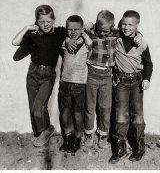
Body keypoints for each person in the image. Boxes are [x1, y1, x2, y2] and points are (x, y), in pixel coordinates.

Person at [66, 10, 141, 149]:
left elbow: (133, 33)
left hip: (107, 76)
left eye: (106, 31)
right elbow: (77, 32)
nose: (103, 34)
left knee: (105, 107)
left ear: (112, 26)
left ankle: (103, 134)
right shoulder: (91, 31)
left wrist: (140, 35)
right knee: (89, 106)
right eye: (101, 31)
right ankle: (89, 134)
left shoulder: (115, 33)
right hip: (92, 75)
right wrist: (72, 36)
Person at [11, 5, 69, 147]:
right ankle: (41, 134)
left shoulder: (59, 32)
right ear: (36, 21)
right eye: (41, 21)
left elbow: (77, 29)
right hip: (33, 73)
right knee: (33, 108)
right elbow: (15, 42)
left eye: (48, 21)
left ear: (54, 20)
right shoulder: (33, 35)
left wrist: (69, 39)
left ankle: (47, 130)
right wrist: (27, 28)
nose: (45, 24)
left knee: (39, 107)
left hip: (48, 75)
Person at [109, 10, 153, 164]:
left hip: (136, 83)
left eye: (130, 25)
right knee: (121, 115)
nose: (126, 27)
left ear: (137, 25)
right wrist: (90, 26)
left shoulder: (142, 43)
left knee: (137, 115)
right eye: (124, 24)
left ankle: (139, 147)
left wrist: (147, 79)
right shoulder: (116, 37)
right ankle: (120, 148)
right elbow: (101, 29)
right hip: (121, 82)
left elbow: (148, 63)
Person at [58, 15, 91, 154]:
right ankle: (68, 137)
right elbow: (57, 33)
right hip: (65, 83)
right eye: (70, 29)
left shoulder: (86, 42)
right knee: (65, 113)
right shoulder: (64, 42)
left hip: (80, 84)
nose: (72, 32)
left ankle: (78, 137)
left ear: (82, 29)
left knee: (78, 113)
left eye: (76, 29)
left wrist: (83, 33)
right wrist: (66, 38)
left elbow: (91, 44)